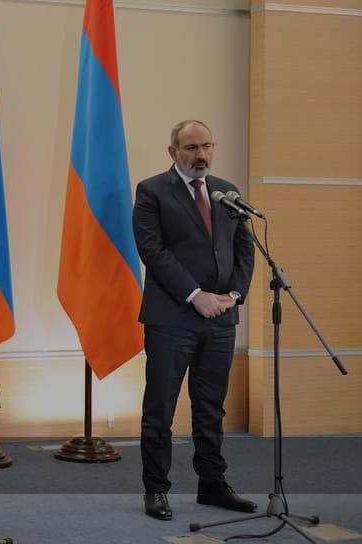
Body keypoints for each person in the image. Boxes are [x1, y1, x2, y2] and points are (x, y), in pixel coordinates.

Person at [133, 120, 256, 521]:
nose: (200, 155)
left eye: (206, 146)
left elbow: (244, 250)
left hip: (220, 317)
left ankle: (212, 484)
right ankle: (156, 489)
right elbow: (153, 251)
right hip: (172, 317)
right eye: (191, 148)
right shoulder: (152, 191)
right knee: (161, 406)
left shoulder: (227, 192)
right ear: (173, 152)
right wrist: (195, 295)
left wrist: (233, 296)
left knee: (211, 407)